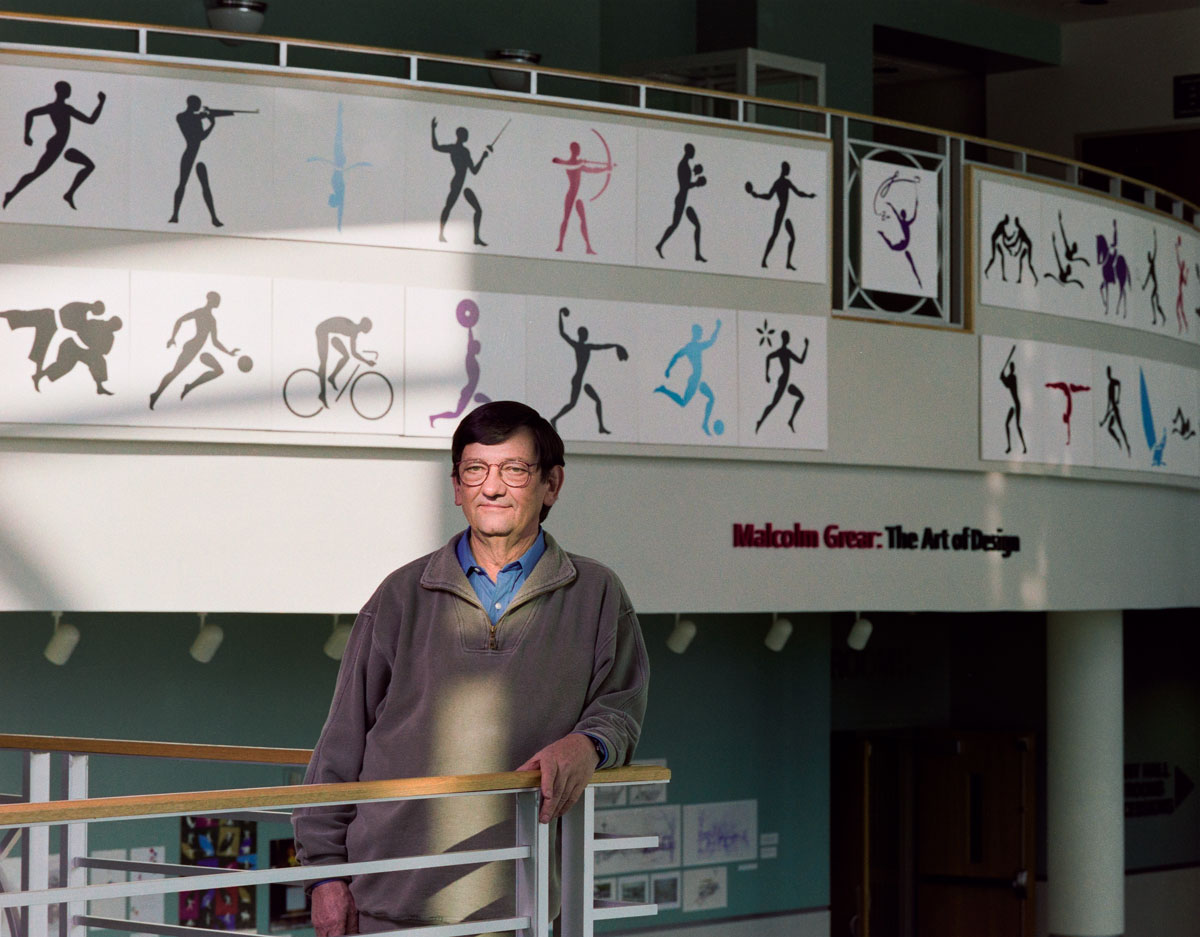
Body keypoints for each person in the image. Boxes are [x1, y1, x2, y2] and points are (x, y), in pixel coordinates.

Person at [293, 400, 649, 934]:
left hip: (516, 904)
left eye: (514, 470)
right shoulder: (400, 594)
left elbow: (620, 708)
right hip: (388, 899)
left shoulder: (596, 593)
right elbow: (340, 743)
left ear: (551, 484)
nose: (493, 487)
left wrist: (586, 746)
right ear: (456, 487)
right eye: (475, 470)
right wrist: (324, 875)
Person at [3, 81, 106, 210]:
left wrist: (27, 135)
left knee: (89, 166)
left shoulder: (57, 108)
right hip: (56, 145)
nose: (70, 92)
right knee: (36, 173)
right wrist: (26, 135)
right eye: (68, 90)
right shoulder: (62, 108)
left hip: (62, 146)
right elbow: (30, 113)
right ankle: (11, 193)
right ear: (63, 92)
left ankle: (69, 194)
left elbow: (90, 121)